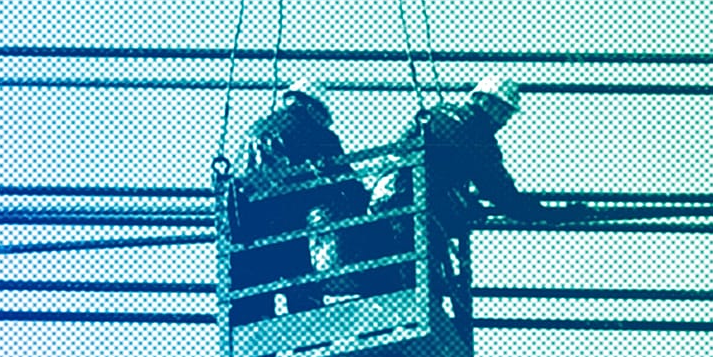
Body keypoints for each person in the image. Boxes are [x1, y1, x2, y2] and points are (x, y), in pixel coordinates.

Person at [362, 76, 575, 300]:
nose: (504, 122)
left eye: (508, 115)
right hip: (413, 207)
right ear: (484, 101)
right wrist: (555, 214)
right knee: (421, 287)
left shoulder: (438, 113)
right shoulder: (476, 136)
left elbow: (425, 160)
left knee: (390, 279)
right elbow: (506, 198)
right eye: (503, 112)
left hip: (384, 200)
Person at [228, 79, 366, 324]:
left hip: (248, 226)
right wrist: (365, 206)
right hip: (289, 221)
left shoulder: (253, 131)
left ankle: (253, 353)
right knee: (304, 292)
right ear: (313, 108)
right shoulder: (315, 132)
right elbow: (345, 181)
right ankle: (312, 345)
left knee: (255, 299)